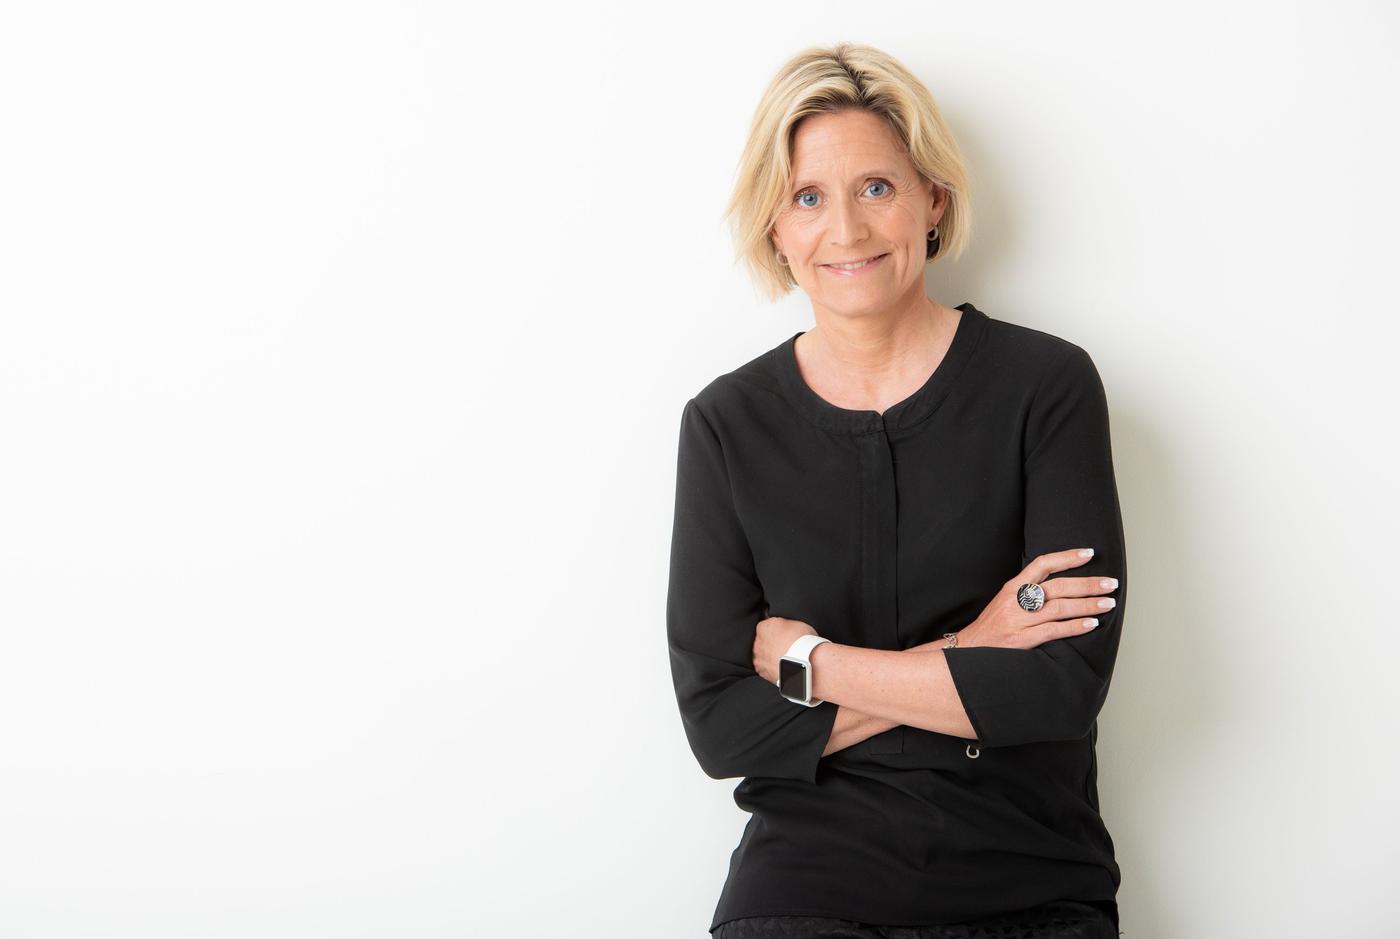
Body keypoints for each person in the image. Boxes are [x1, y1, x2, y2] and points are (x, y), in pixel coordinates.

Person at [665, 43, 1127, 939]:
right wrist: (974, 646)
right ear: (775, 227)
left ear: (933, 200)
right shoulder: (725, 425)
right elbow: (724, 730)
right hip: (803, 888)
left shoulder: (1047, 387)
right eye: (808, 197)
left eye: (876, 186)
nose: (846, 230)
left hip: (1027, 880)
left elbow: (1060, 687)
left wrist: (813, 665)